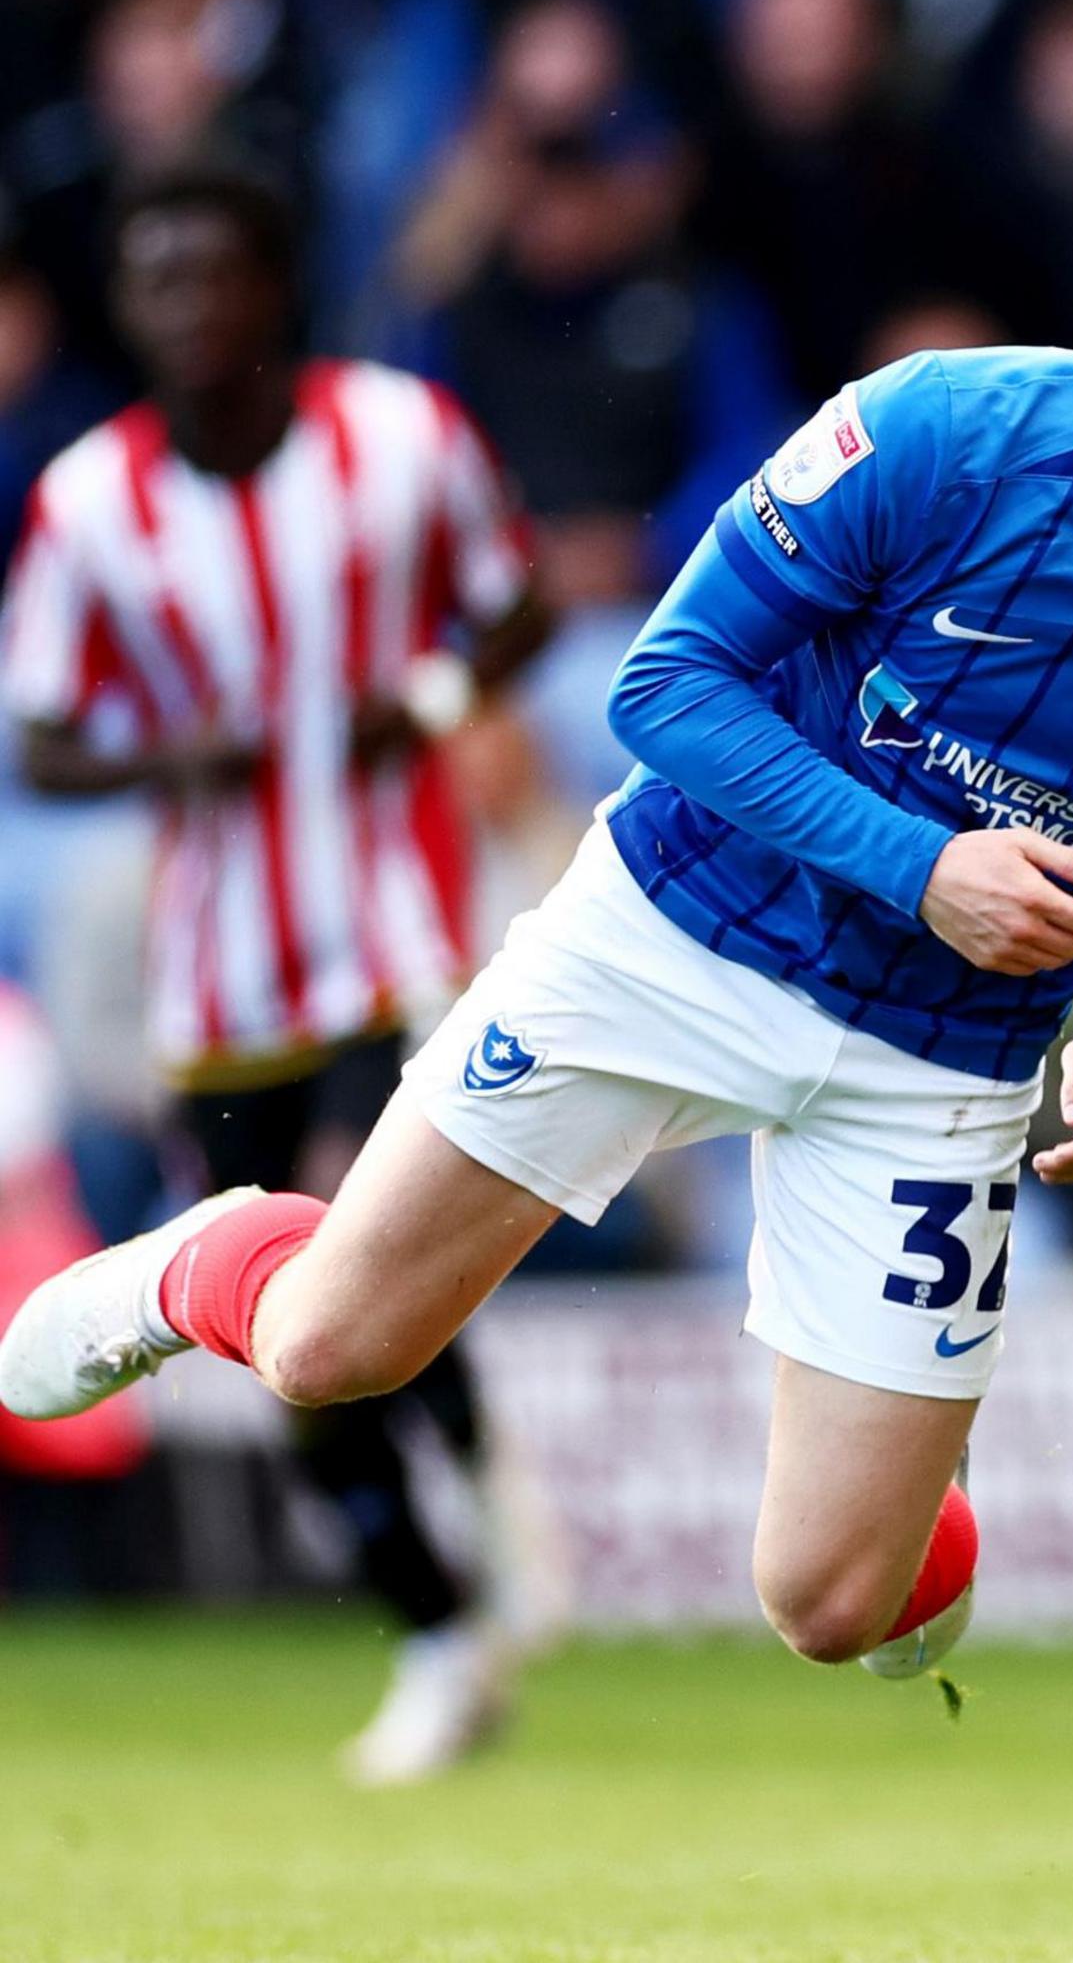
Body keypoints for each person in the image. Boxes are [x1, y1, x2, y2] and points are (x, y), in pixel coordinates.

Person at [2, 130, 1073, 1688]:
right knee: (327, 1352)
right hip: (670, 937)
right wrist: (922, 866)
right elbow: (666, 686)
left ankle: (898, 1489)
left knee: (837, 1610)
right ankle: (205, 1261)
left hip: (944, 1055)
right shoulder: (942, 426)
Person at [2, 162, 554, 1782]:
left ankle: (453, 1617)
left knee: (338, 1277)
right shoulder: (93, 500)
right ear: (132, 305)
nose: (191, 308)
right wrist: (157, 753)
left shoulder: (399, 439)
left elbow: (516, 610)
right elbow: (37, 728)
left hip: (396, 954)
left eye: (217, 273)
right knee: (288, 1323)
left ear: (273, 286)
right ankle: (449, 1586)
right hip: (217, 988)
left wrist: (438, 698)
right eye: (159, 279)